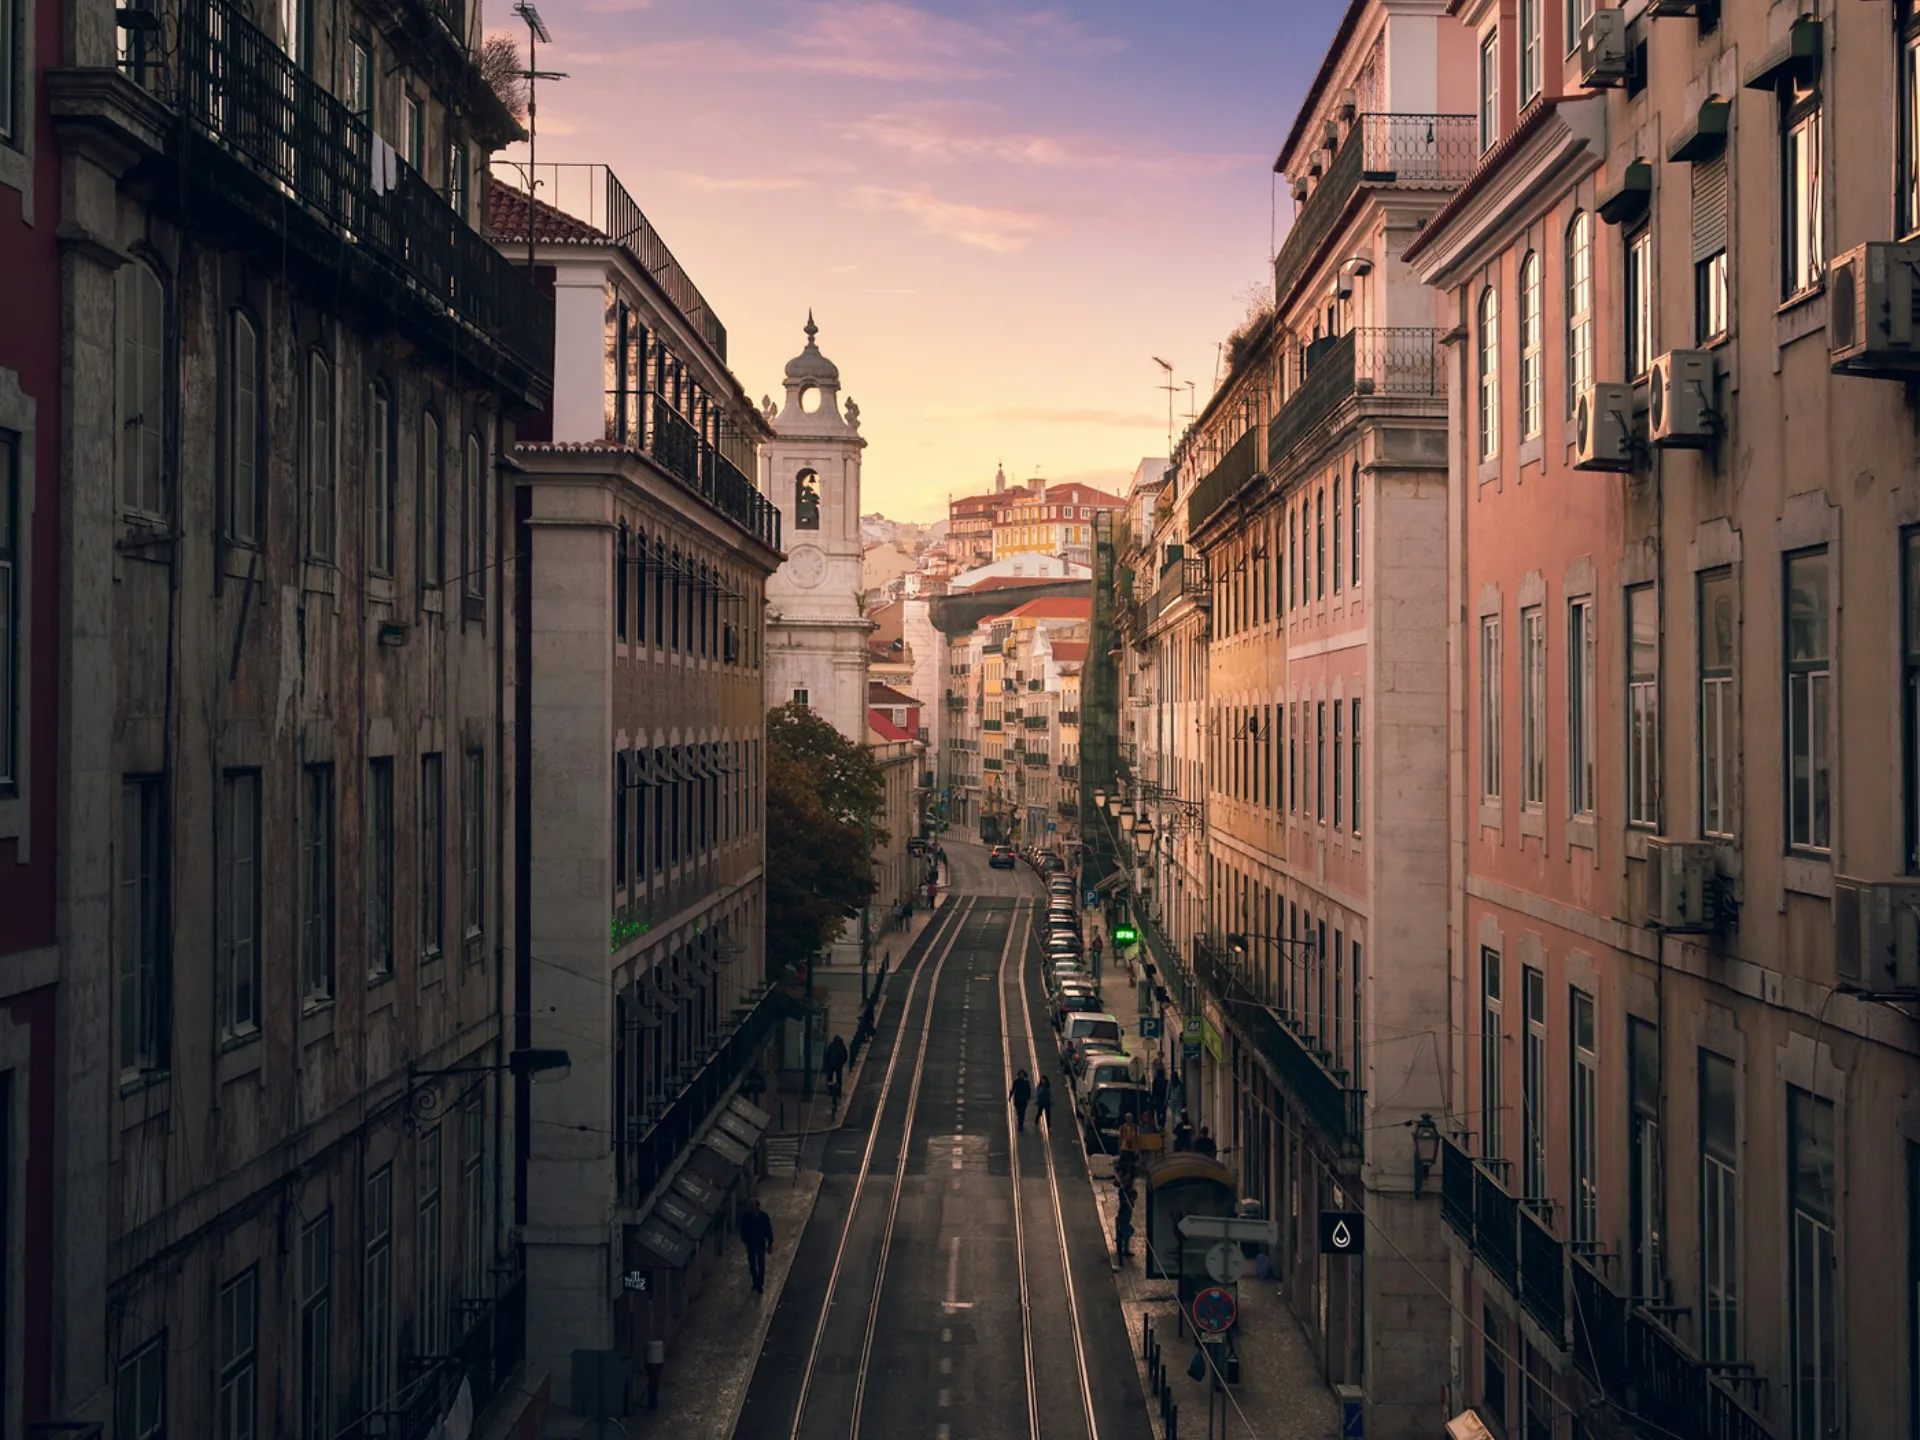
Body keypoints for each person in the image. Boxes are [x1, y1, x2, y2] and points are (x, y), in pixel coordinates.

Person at [739, 1197, 775, 1294]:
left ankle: (760, 1283)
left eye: (753, 1206)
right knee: (752, 1264)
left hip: (760, 1243)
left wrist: (770, 1243)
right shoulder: (746, 1217)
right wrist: (746, 1241)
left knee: (761, 1263)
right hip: (751, 1244)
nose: (752, 1208)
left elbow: (768, 1230)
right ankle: (755, 1282)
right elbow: (743, 1231)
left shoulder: (764, 1217)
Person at [822, 1033, 848, 1106]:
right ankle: (837, 1092)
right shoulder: (841, 1046)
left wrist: (827, 1063)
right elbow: (845, 1056)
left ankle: (831, 1091)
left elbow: (828, 1055)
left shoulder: (832, 1045)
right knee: (838, 1079)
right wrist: (842, 1062)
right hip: (837, 1065)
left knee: (831, 1079)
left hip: (832, 1065)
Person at [1150, 1059, 1169, 1129]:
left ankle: (1159, 1123)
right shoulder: (1166, 1082)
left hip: (1157, 1099)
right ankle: (1163, 1124)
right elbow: (1167, 1091)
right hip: (1164, 1099)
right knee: (1164, 1112)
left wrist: (1152, 1099)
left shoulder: (1155, 1082)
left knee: (1158, 1112)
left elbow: (1153, 1092)